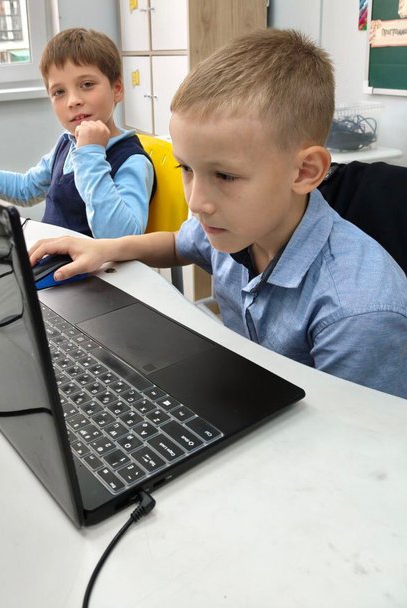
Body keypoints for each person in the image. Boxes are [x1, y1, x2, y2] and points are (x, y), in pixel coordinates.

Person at [29, 28, 407, 398]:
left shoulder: (356, 313)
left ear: (305, 172)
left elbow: (359, 431)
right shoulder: (236, 225)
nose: (196, 202)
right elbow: (178, 243)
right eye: (186, 169)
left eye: (225, 176)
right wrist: (105, 249)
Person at [0, 28, 155, 238]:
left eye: (87, 84)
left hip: (88, 264)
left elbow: (119, 236)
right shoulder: (67, 143)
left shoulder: (131, 160)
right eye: (59, 92)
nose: (73, 101)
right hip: (52, 256)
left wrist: (90, 154)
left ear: (117, 89)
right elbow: (25, 189)